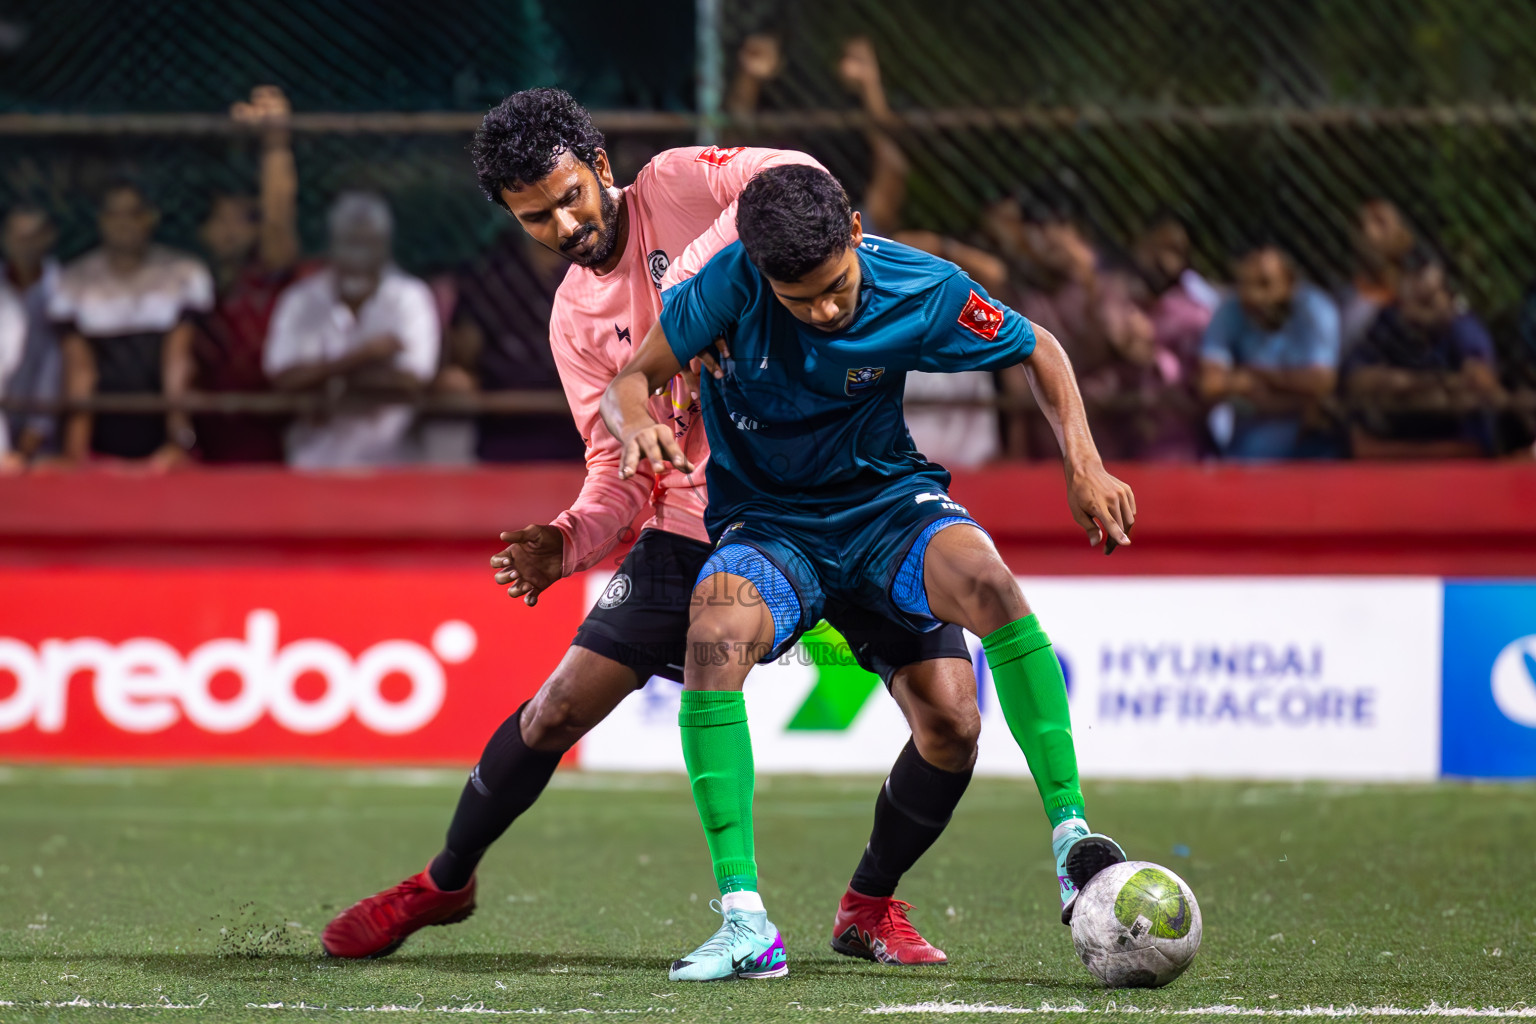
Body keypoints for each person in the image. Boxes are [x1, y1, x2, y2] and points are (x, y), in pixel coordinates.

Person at [321, 90, 981, 969]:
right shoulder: (574, 320)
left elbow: (800, 182)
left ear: (602, 169)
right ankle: (445, 882)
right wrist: (565, 541)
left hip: (842, 499)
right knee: (557, 708)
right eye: (535, 218)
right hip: (698, 523)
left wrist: (691, 300)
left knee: (953, 722)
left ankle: (868, 905)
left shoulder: (680, 184)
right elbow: (615, 474)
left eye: (570, 197)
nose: (563, 223)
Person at [600, 165, 1132, 982]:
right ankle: (744, 918)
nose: (821, 310)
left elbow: (1040, 348)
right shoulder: (728, 283)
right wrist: (637, 418)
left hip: (888, 510)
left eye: (834, 289)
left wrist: (1083, 465)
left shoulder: (924, 286)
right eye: (798, 298)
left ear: (854, 230)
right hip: (773, 526)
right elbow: (632, 377)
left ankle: (1065, 845)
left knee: (961, 698)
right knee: (714, 629)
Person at [263, 192, 439, 469]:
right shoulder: (301, 299)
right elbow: (283, 378)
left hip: (392, 463)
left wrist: (325, 383)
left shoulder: (410, 296)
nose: (358, 252)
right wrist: (366, 356)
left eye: (368, 241)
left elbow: (411, 381)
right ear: (332, 242)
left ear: (384, 244)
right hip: (314, 462)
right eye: (350, 240)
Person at [53, 181, 213, 466]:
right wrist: (74, 455)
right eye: (114, 214)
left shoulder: (185, 274)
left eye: (133, 213)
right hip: (101, 435)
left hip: (162, 437)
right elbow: (79, 371)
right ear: (101, 220)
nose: (123, 224)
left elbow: (178, 363)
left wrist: (180, 443)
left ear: (150, 218)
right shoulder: (72, 282)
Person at [193, 85, 303, 463]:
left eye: (241, 220)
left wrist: (276, 144)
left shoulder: (266, 278)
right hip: (203, 438)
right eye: (219, 220)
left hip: (267, 434)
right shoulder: (190, 284)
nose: (229, 231)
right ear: (201, 230)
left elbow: (278, 219)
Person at [1343, 247, 1502, 458]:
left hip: (1452, 446)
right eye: (1408, 289)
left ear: (1446, 294)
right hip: (1399, 438)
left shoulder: (1462, 326)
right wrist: (1416, 384)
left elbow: (1480, 382)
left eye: (1426, 299)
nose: (1414, 307)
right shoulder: (1390, 320)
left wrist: (1409, 385)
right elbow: (1356, 378)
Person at [1199, 243, 1341, 459]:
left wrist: (1253, 377)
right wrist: (1299, 400)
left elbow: (1322, 383)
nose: (1254, 296)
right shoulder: (1230, 310)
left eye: (1264, 284)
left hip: (1309, 453)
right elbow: (1210, 386)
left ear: (1289, 284)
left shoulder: (1316, 310)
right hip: (1244, 456)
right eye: (1244, 284)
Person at [0, 204, 61, 470]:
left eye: (33, 235)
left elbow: (55, 369)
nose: (25, 244)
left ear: (49, 237)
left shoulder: (64, 290)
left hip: (45, 445)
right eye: (17, 235)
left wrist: (27, 447)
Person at [1338, 198, 1415, 354]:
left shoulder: (1406, 308)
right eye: (1359, 223)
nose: (1366, 229)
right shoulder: (1341, 293)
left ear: (1402, 237)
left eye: (1380, 222)